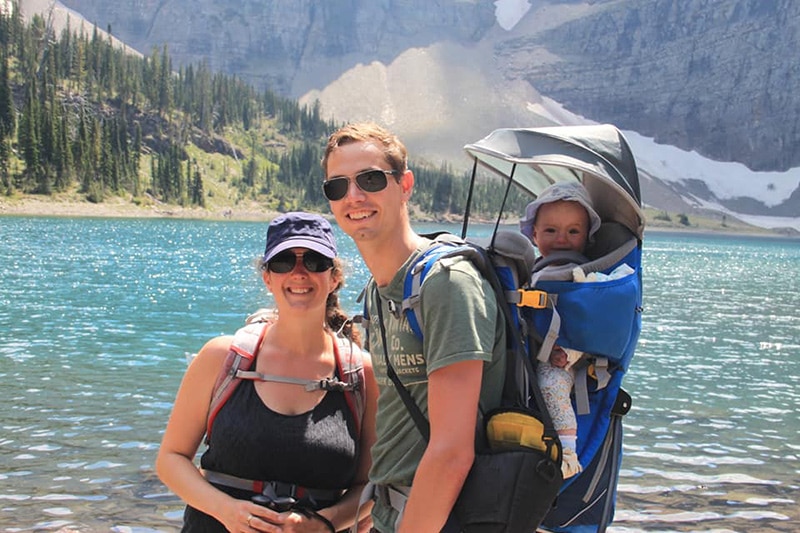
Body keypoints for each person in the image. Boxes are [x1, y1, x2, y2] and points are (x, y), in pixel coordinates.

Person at [321, 122, 507, 533]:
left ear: (405, 185)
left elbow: (451, 452)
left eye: (370, 179)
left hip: (446, 519)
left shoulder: (446, 283)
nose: (353, 196)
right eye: (337, 186)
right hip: (392, 513)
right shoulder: (377, 290)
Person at [156, 212, 378, 532]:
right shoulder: (221, 358)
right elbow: (171, 460)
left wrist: (322, 525)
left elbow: (371, 486)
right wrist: (227, 511)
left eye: (314, 261)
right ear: (268, 277)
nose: (299, 273)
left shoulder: (361, 374)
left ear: (334, 278)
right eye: (284, 262)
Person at [519, 181, 601, 479]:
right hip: (530, 351)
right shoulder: (534, 269)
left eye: (573, 231)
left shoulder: (587, 273)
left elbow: (593, 320)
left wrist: (571, 351)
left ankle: (567, 451)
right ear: (534, 234)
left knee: (550, 382)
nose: (562, 240)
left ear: (587, 237)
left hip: (569, 357)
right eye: (551, 231)